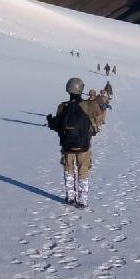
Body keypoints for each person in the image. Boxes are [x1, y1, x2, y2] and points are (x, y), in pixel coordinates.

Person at [46, 77, 98, 207]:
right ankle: (82, 200)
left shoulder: (63, 106)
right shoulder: (88, 105)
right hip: (84, 146)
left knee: (68, 170)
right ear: (81, 89)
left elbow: (56, 125)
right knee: (83, 171)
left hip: (67, 145)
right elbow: (97, 114)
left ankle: (70, 198)